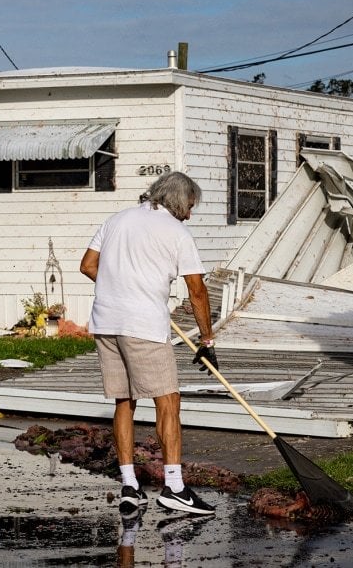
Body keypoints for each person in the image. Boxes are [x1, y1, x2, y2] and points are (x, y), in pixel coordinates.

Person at [79, 171, 218, 516]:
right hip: (142, 327)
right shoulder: (177, 232)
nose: (191, 212)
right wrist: (207, 338)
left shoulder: (117, 219)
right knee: (168, 402)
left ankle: (129, 486)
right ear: (178, 200)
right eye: (190, 205)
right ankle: (174, 488)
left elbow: (87, 266)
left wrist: (122, 288)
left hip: (106, 322)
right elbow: (197, 291)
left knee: (124, 401)